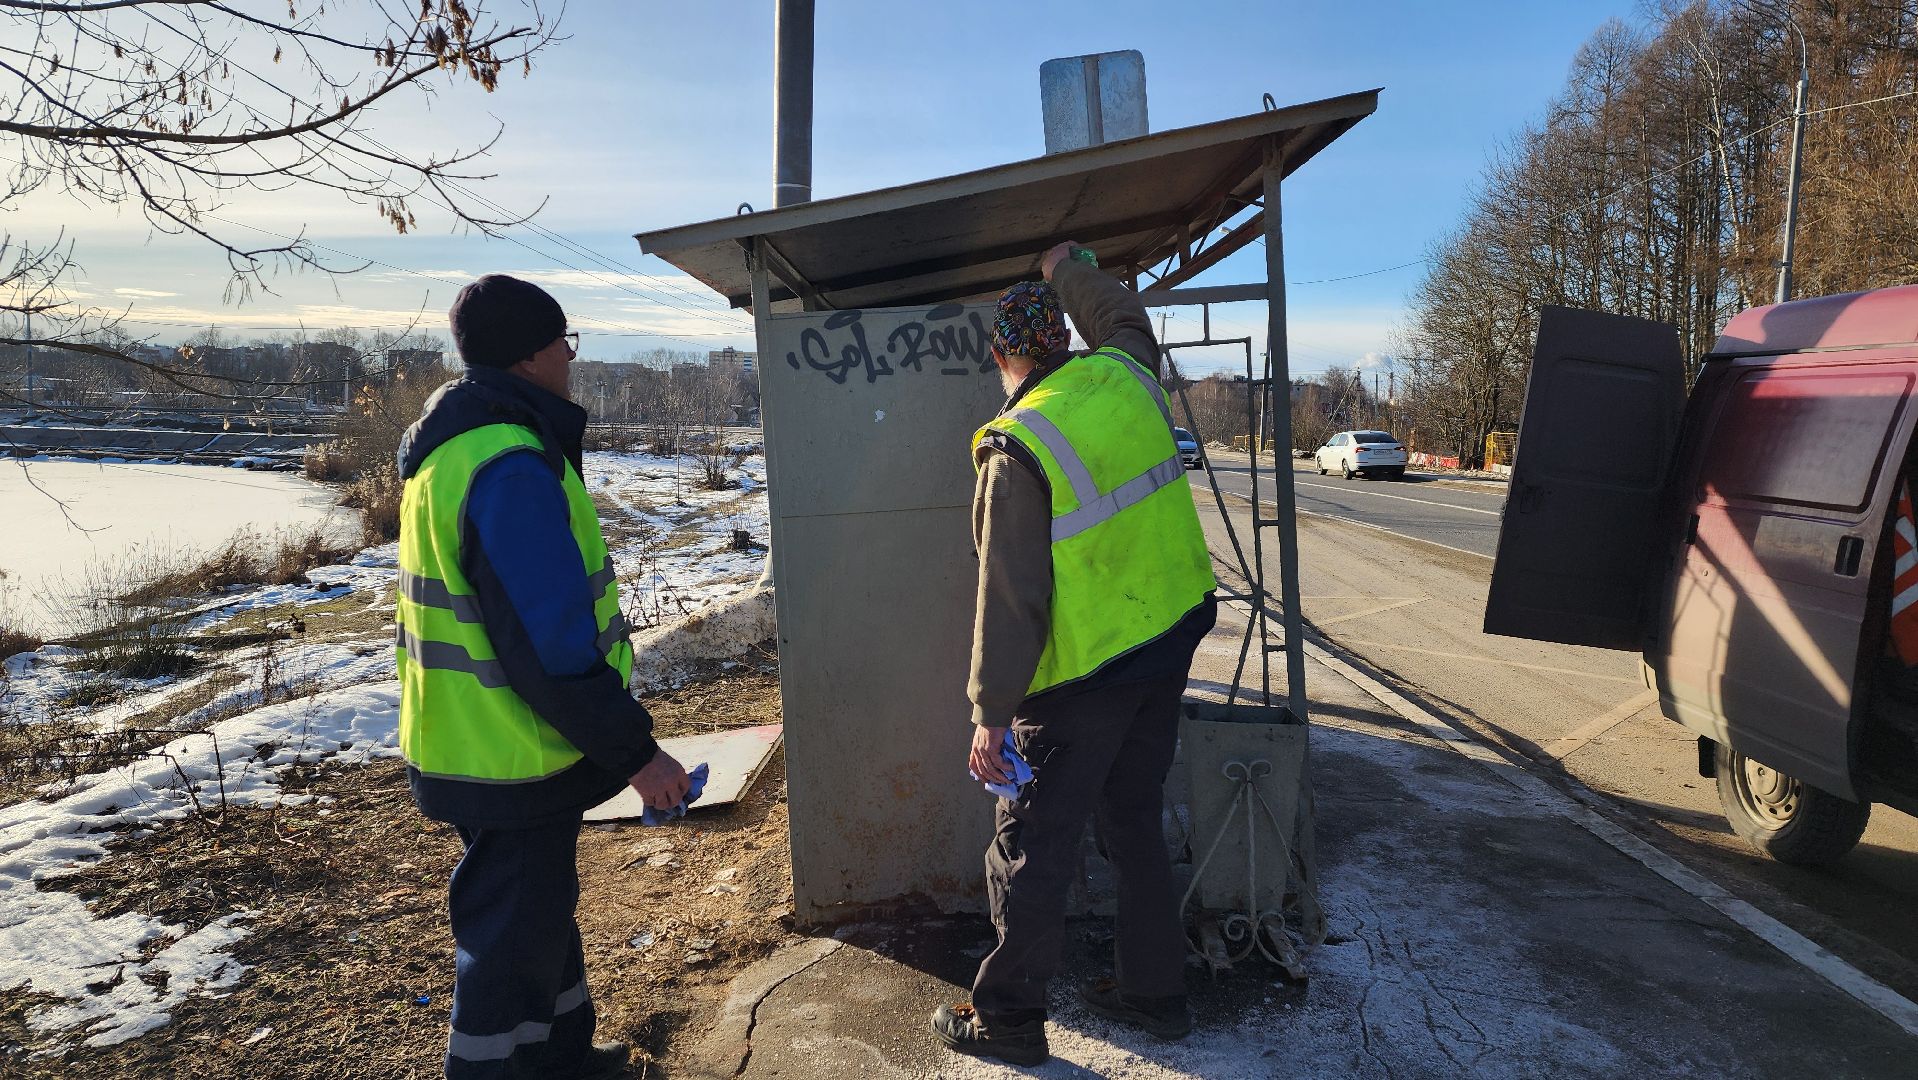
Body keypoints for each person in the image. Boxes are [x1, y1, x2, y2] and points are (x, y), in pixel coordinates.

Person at [395, 273, 692, 1080]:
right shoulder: (510, 463)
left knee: (538, 917)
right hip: (508, 749)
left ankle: (563, 1059)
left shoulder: (458, 444)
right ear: (532, 355)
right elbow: (549, 645)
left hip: (477, 738)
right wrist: (639, 755)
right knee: (507, 944)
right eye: (565, 341)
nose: (571, 356)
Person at [930, 243, 1219, 1066]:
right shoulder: (1125, 374)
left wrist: (989, 716)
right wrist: (1065, 265)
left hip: (1083, 678)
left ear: (1001, 355)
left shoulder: (1014, 446)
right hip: (1165, 645)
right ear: (1063, 338)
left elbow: (1010, 601)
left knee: (1030, 847)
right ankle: (1157, 993)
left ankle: (1008, 1019)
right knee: (1132, 821)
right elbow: (1124, 316)